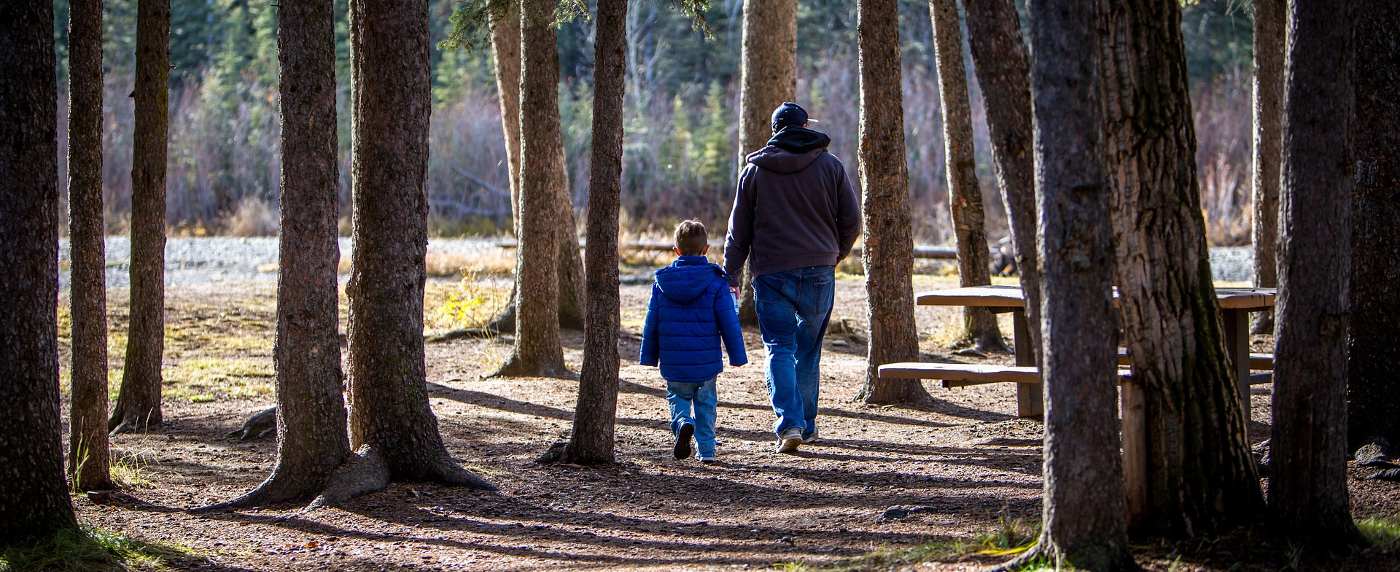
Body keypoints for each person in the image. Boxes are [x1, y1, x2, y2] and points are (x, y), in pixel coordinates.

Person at [723, 102, 861, 454]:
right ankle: (807, 425)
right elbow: (851, 221)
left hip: (771, 272)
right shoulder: (830, 166)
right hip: (818, 269)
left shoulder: (754, 172)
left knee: (779, 348)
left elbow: (738, 232)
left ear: (775, 130)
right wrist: (834, 254)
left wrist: (731, 273)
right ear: (804, 126)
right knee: (808, 351)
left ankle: (790, 425)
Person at [640, 220, 748, 463]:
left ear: (676, 250)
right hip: (706, 361)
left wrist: (648, 356)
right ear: (706, 249)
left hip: (674, 359)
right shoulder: (716, 281)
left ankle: (682, 423)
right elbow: (728, 321)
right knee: (706, 403)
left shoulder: (662, 283)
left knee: (677, 396)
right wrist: (737, 355)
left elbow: (652, 320)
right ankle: (707, 451)